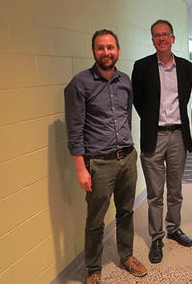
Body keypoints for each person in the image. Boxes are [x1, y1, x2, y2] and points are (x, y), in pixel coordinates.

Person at [64, 29, 147, 284]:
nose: (106, 52)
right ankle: (93, 270)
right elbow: (74, 129)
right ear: (93, 52)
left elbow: (125, 118)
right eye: (101, 48)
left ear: (118, 51)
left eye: (110, 47)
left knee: (126, 212)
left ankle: (126, 256)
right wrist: (81, 168)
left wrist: (129, 148)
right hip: (98, 163)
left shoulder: (125, 81)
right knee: (96, 219)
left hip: (127, 158)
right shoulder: (79, 84)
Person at [132, 19, 192, 264]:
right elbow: (138, 100)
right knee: (155, 192)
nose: (161, 38)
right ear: (152, 39)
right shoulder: (142, 66)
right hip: (154, 135)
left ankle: (174, 228)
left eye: (165, 34)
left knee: (176, 189)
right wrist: (151, 120)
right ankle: (157, 236)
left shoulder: (187, 68)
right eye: (157, 35)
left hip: (178, 134)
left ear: (173, 38)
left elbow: (185, 98)